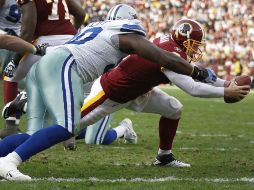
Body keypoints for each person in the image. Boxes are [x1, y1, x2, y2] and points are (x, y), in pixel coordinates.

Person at [0, 11, 216, 180]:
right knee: (66, 128)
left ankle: (5, 150)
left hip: (60, 64)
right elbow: (164, 59)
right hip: (66, 66)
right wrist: (200, 72)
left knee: (50, 131)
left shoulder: (98, 29)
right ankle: (9, 162)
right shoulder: (129, 34)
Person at [0, 0, 86, 138]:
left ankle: (11, 125)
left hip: (44, 41)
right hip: (70, 40)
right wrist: (70, 37)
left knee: (10, 74)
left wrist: (14, 61)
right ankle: (73, 125)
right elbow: (81, 14)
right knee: (65, 83)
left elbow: (28, 32)